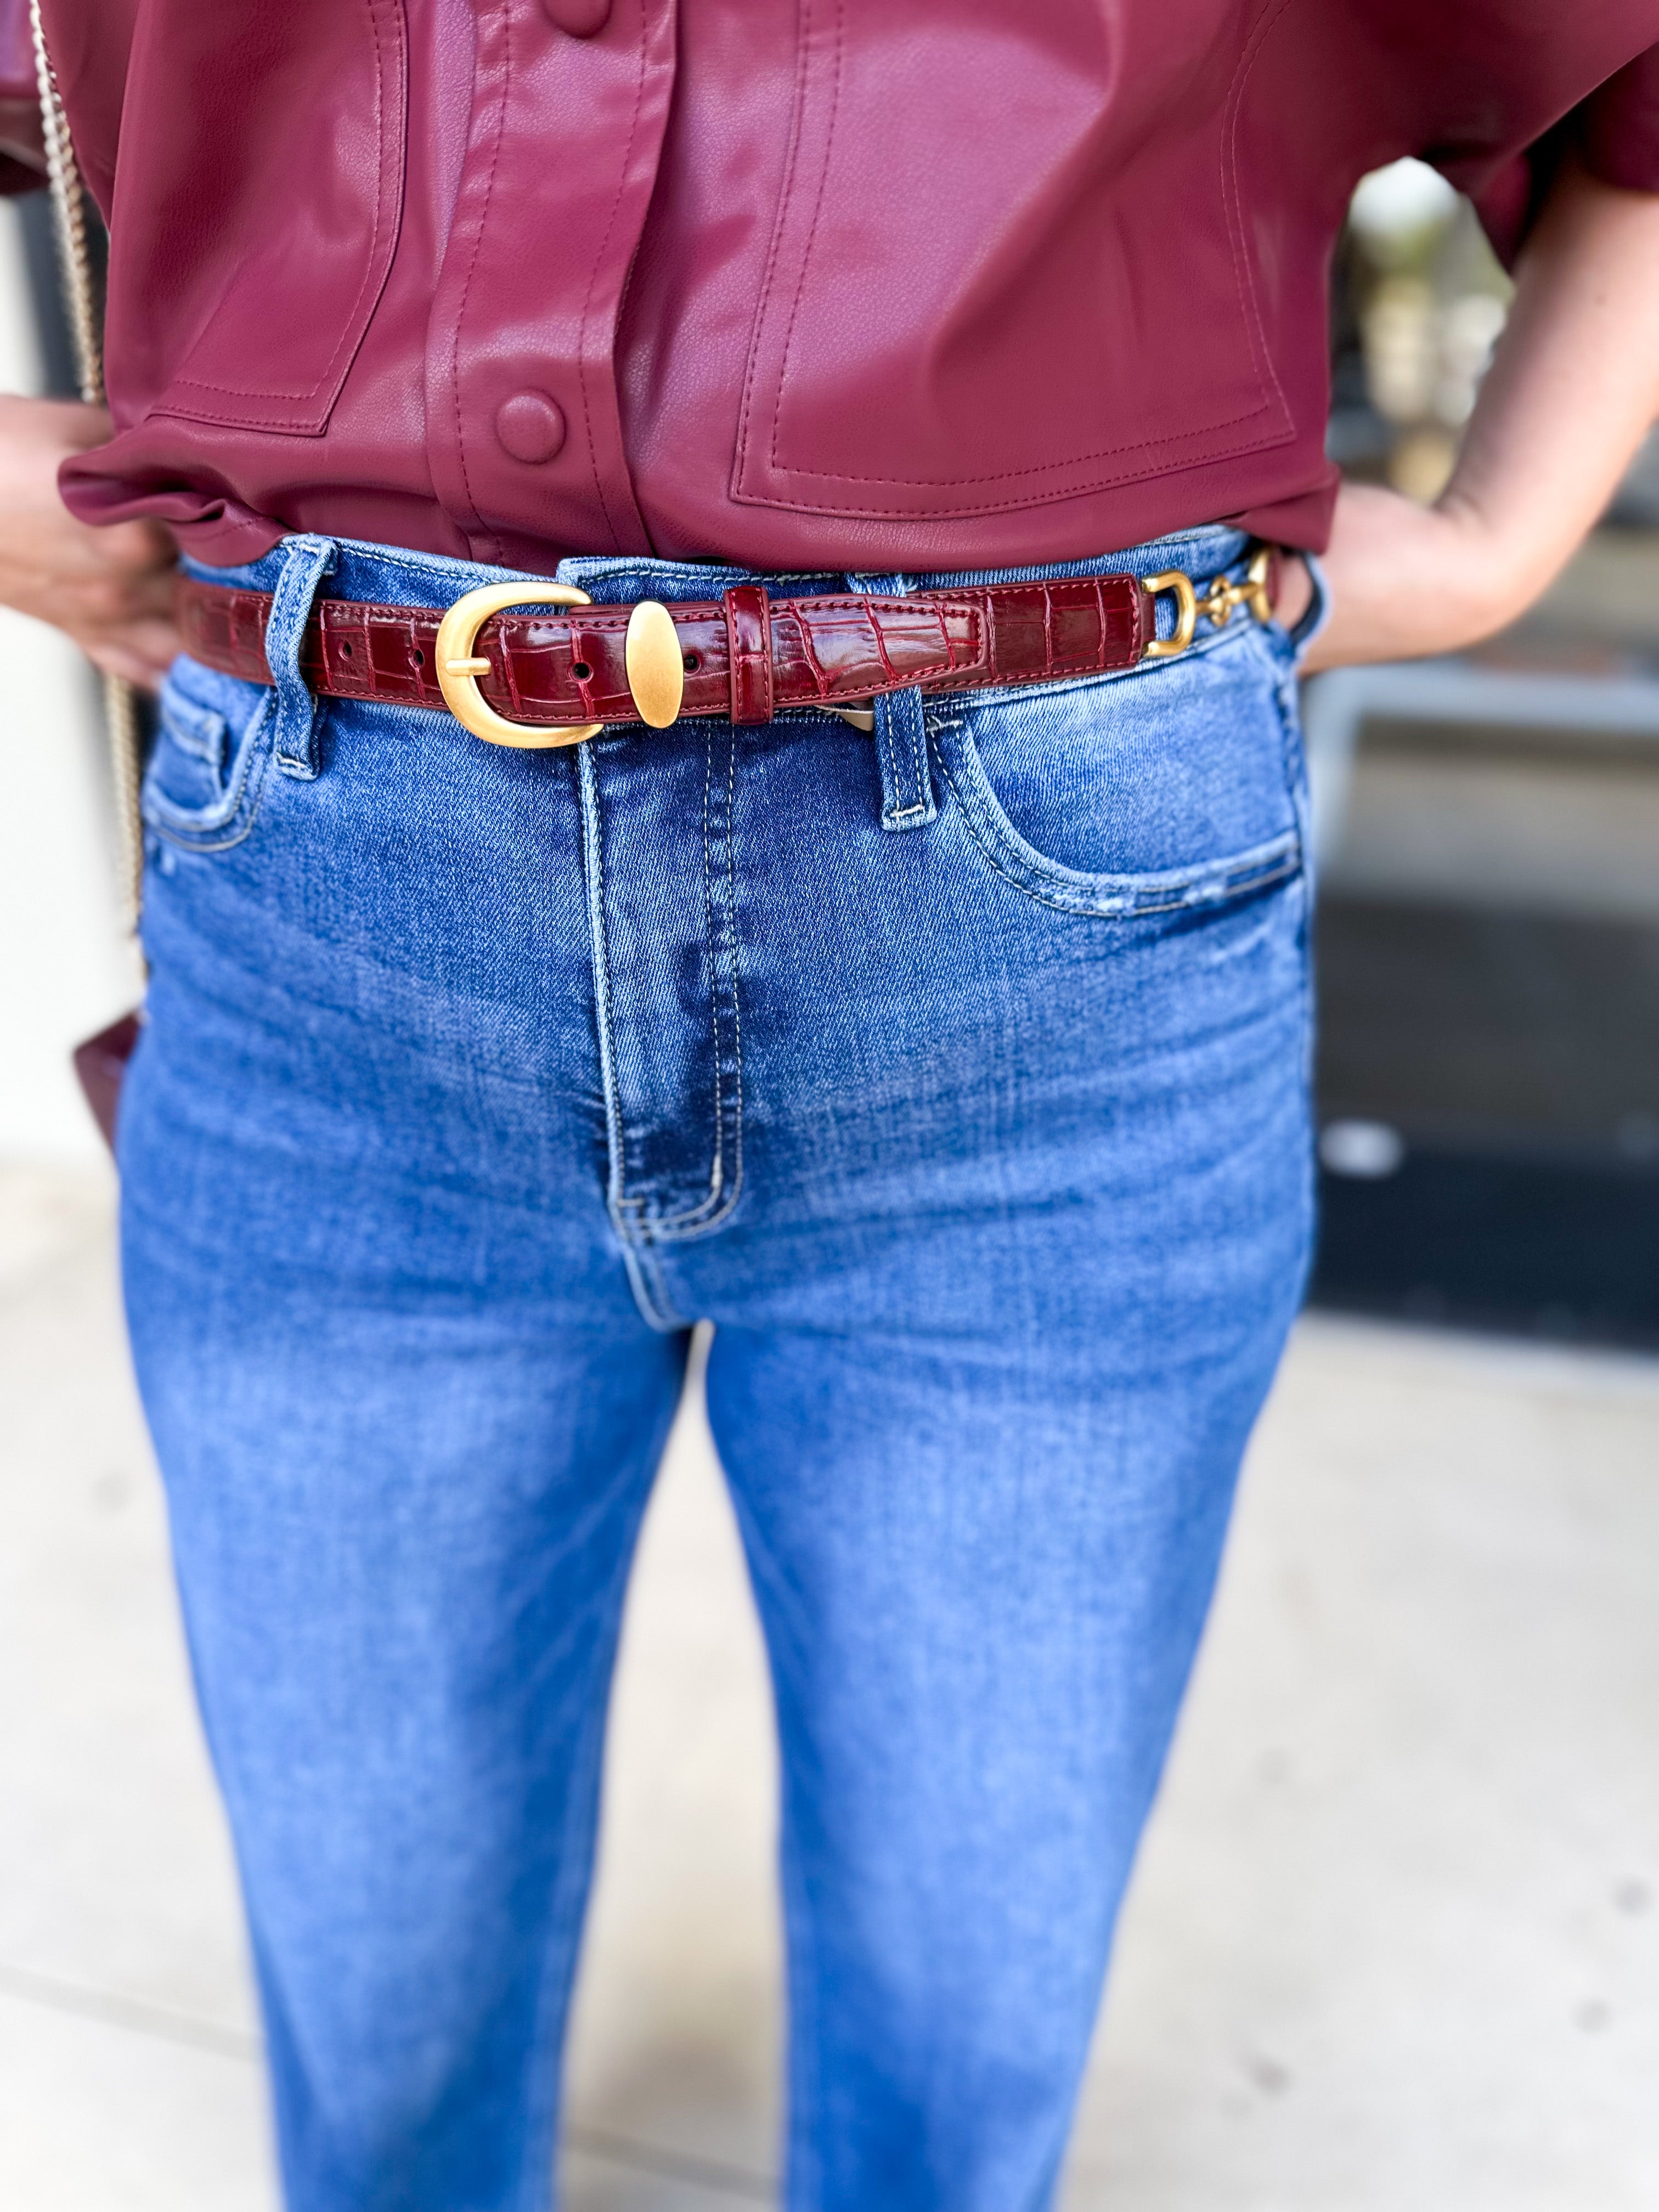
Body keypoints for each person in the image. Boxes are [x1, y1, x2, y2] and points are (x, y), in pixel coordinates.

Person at [2, 7, 1657, 2208]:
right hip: (341, 900)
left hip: (1049, 948)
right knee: (374, 2002)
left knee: (963, 2039)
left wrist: (1499, 533)